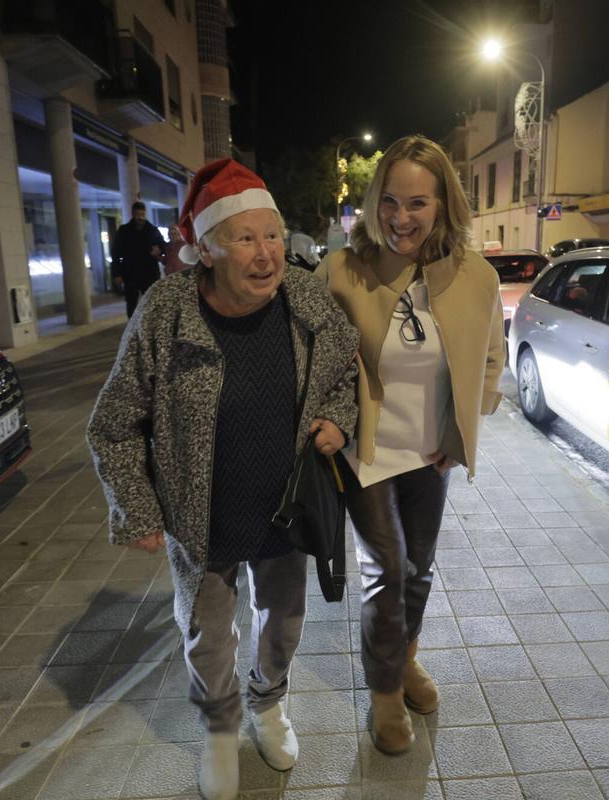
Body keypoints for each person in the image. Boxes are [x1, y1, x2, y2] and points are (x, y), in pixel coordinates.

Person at [88, 159, 359, 800]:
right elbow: (114, 420)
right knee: (208, 631)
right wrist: (139, 509)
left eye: (272, 235)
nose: (266, 254)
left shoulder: (305, 296)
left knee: (284, 619)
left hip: (285, 507)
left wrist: (338, 421)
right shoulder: (166, 311)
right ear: (205, 249)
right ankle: (219, 727)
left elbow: (346, 367)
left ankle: (268, 706)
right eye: (244, 239)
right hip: (199, 511)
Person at [316, 135, 504, 754]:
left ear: (444, 204)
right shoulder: (342, 269)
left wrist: (464, 426)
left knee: (419, 569)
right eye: (391, 202)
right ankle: (384, 695)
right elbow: (306, 354)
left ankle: (406, 659)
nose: (402, 218)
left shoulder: (475, 275)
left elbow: (491, 360)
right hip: (366, 451)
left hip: (432, 450)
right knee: (387, 571)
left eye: (418, 203)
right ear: (374, 203)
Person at [111, 200, 165, 316]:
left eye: (142, 215)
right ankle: (132, 328)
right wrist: (116, 273)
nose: (140, 218)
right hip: (130, 272)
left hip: (149, 271)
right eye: (137, 214)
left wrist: (159, 252)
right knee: (131, 303)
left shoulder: (152, 230)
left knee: (151, 301)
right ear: (133, 214)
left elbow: (163, 246)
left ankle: (150, 326)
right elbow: (115, 253)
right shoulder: (124, 231)